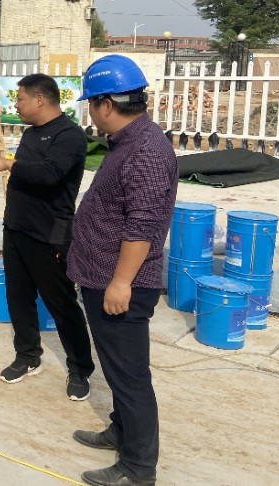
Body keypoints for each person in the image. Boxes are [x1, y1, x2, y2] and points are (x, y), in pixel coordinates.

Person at [67, 55, 177, 486]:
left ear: (107, 104)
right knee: (117, 368)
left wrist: (120, 282)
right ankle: (121, 430)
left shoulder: (146, 151)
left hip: (120, 283)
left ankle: (137, 468)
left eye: (91, 104)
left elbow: (142, 226)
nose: (91, 113)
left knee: (130, 377)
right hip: (102, 276)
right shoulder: (129, 143)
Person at [0, 74, 95, 400]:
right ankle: (28, 355)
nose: (16, 106)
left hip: (50, 235)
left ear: (39, 99)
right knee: (18, 298)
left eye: (19, 99)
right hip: (17, 228)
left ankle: (79, 369)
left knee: (61, 305)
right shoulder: (32, 133)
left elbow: (50, 174)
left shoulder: (68, 135)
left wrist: (8, 163)